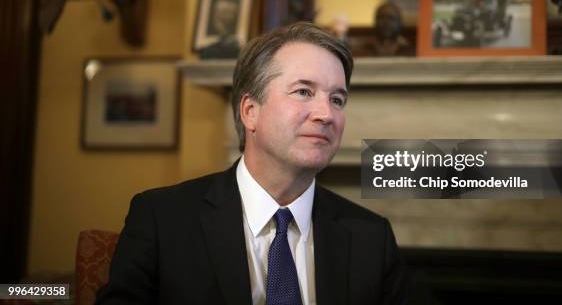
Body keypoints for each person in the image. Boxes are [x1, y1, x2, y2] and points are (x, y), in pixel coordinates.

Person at [96, 22, 409, 304]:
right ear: (250, 111)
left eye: (337, 100)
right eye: (303, 91)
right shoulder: (162, 220)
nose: (326, 114)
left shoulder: (371, 237)